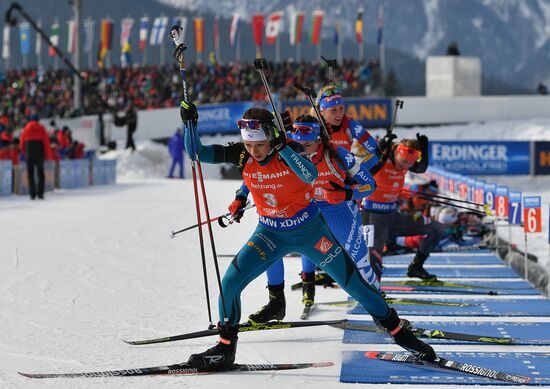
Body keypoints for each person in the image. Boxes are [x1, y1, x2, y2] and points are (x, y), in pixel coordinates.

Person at [179, 101, 436, 369]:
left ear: (273, 138)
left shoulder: (293, 150)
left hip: (309, 232)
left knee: (356, 285)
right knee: (229, 284)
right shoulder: (242, 156)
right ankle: (225, 348)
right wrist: (190, 124)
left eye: (259, 145)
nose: (253, 152)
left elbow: (309, 174)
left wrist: (283, 147)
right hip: (270, 232)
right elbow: (196, 152)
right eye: (249, 145)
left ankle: (402, 335)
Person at [243, 114, 380, 324]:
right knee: (274, 249)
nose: (302, 150)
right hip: (309, 214)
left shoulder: (337, 155)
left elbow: (370, 185)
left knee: (359, 264)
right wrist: (241, 195)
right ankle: (287, 298)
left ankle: (382, 309)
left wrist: (346, 195)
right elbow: (254, 171)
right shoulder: (285, 152)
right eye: (298, 144)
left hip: (339, 213)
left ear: (319, 140)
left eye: (307, 145)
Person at [362, 138, 446, 281]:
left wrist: (424, 151)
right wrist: (377, 151)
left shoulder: (405, 163)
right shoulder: (382, 159)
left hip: (393, 217)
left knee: (437, 228)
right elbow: (361, 169)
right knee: (374, 255)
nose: (405, 166)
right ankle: (372, 290)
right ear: (396, 153)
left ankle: (416, 267)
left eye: (410, 163)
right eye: (404, 161)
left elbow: (420, 168)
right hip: (372, 217)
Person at [19, 114, 51, 200]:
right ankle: (40, 193)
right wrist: (47, 154)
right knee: (40, 174)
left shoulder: (26, 128)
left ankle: (32, 194)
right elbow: (46, 142)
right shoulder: (41, 128)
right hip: (39, 151)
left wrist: (23, 151)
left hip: (29, 152)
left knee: (30, 174)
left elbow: (22, 142)